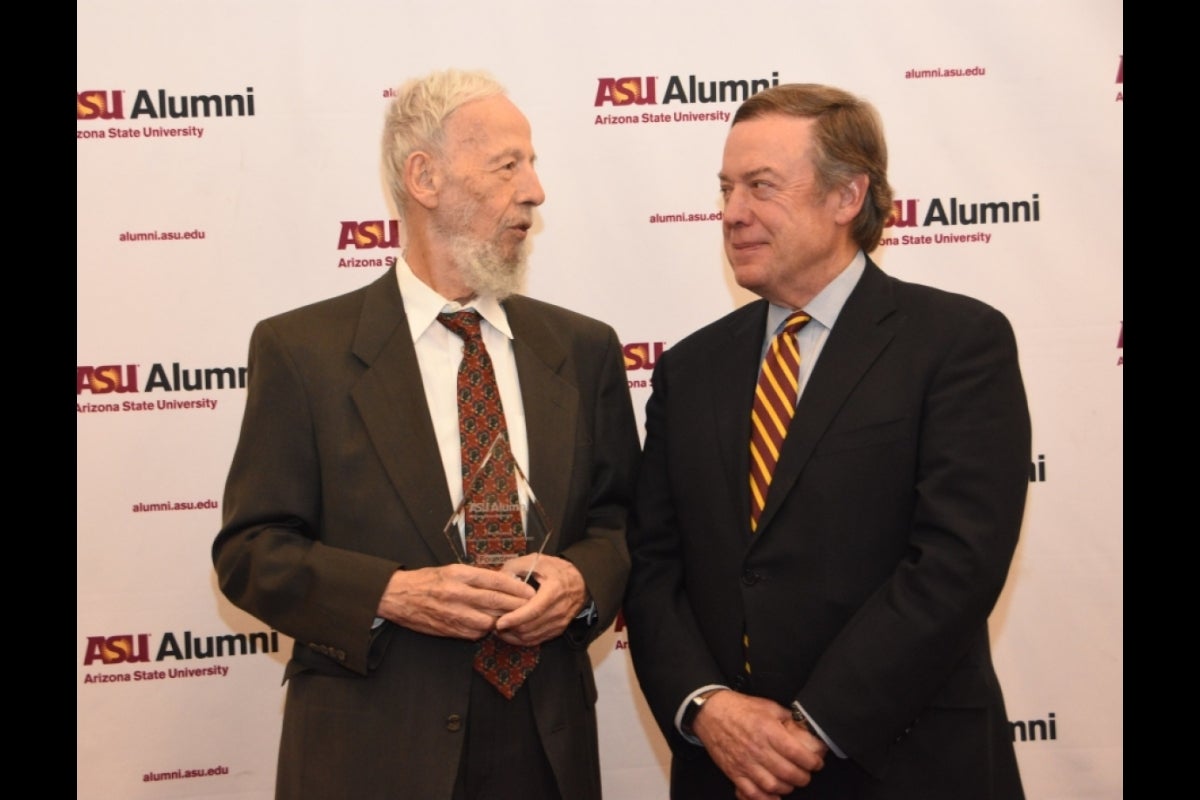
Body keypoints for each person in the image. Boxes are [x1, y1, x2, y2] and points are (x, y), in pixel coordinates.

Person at [213, 68, 639, 800]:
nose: (535, 191)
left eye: (532, 165)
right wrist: (391, 592)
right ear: (424, 176)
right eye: (509, 165)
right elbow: (252, 553)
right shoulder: (302, 350)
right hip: (372, 749)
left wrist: (582, 582)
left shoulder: (584, 348)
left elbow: (622, 522)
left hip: (546, 749)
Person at [624, 83, 1030, 800]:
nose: (732, 213)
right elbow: (654, 568)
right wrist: (705, 706)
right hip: (726, 769)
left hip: (902, 763)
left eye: (760, 186)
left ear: (848, 197)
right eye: (725, 189)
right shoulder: (689, 369)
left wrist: (810, 727)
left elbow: (955, 562)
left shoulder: (957, 344)